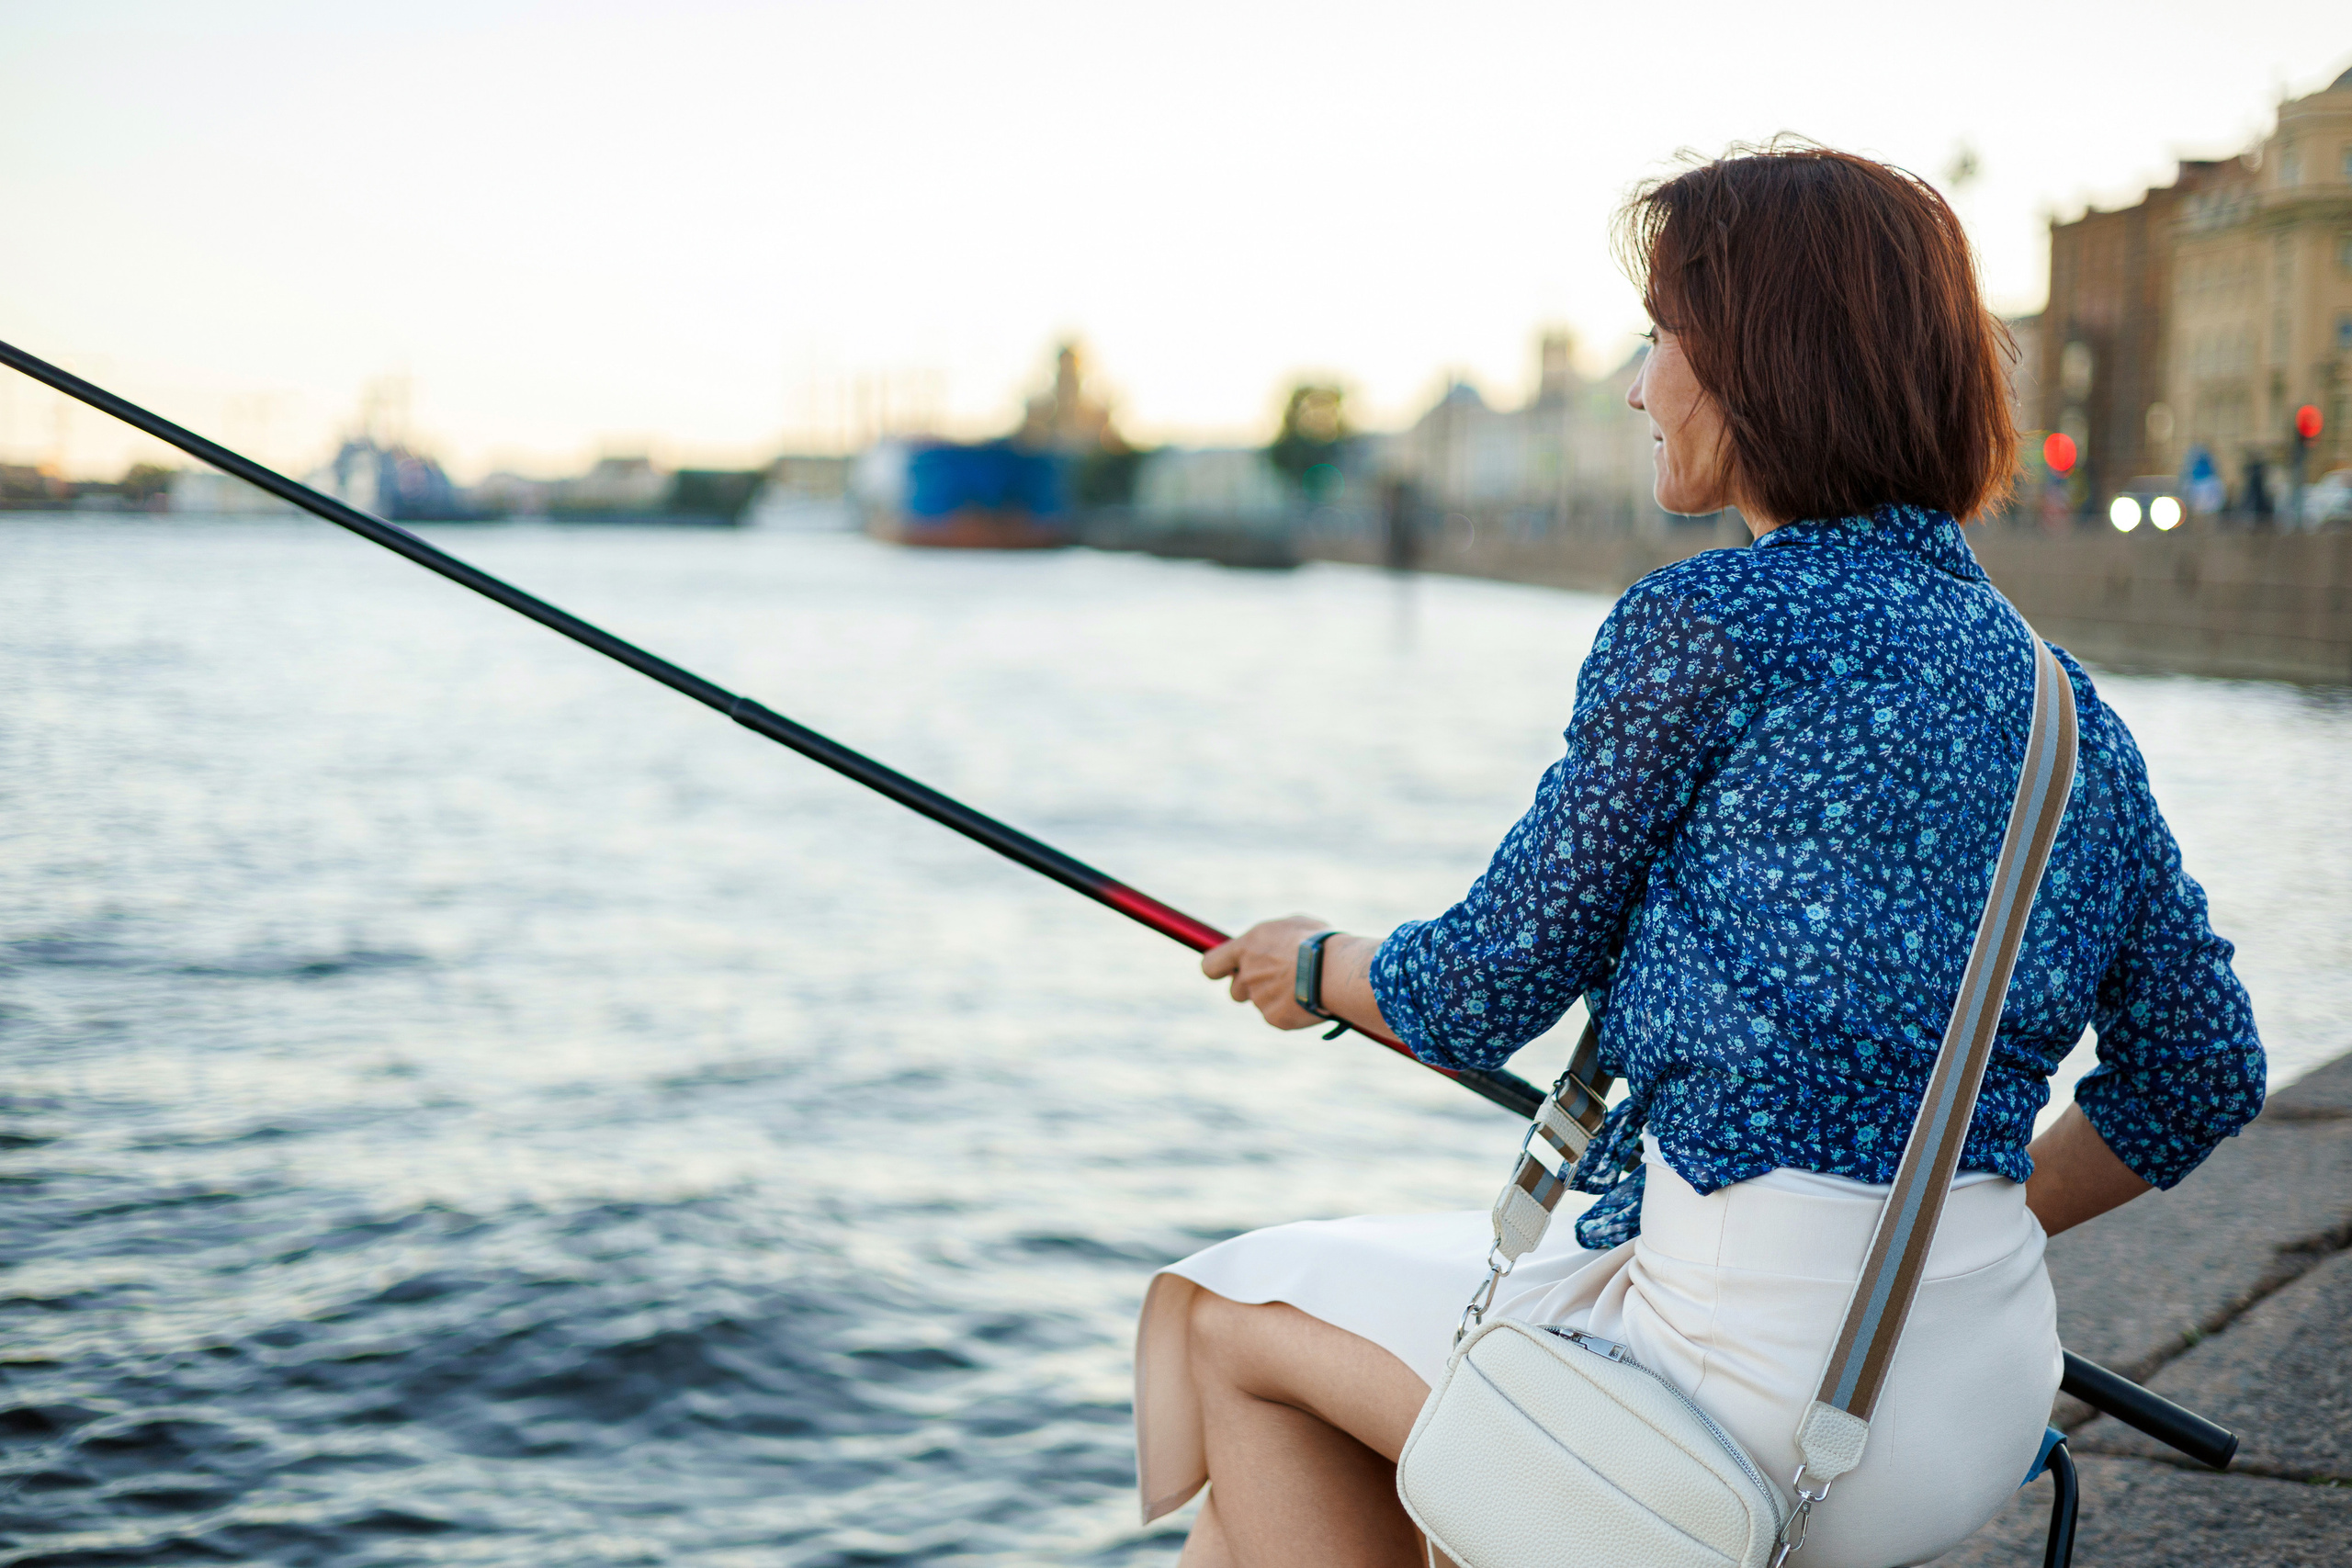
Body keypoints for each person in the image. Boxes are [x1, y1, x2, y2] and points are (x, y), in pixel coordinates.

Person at [1134, 143, 2264, 1568]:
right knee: (1248, 1514)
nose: (1638, 383)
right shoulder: (2066, 710)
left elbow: (1480, 992)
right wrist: (1933, 1222)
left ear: (1758, 361)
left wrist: (1313, 961)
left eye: (1661, 338)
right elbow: (2205, 1069)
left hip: (1752, 1394)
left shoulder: (1710, 623)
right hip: (1971, 1392)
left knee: (1227, 1323)